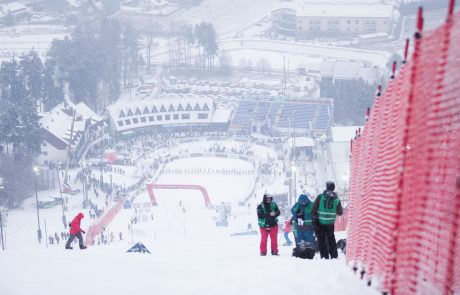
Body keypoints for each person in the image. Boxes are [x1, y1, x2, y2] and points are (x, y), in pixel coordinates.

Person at [312, 181, 343, 259]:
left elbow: (313, 209)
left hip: (320, 222)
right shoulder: (337, 199)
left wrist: (316, 216)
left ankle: (324, 256)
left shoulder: (320, 197)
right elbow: (340, 212)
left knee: (322, 240)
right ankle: (334, 255)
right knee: (331, 239)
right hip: (330, 223)